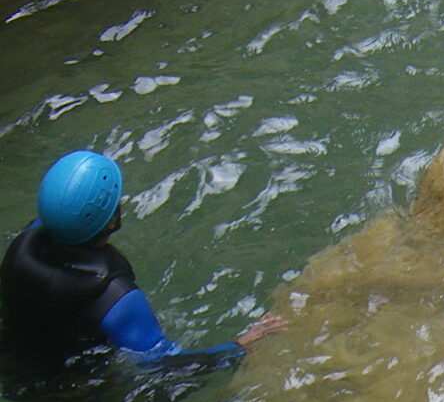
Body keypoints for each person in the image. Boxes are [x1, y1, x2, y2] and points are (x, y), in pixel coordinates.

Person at [1, 151, 284, 377]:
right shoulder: (115, 298)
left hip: (15, 364)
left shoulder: (25, 244)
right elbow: (165, 365)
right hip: (74, 389)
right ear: (111, 221)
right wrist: (241, 344)